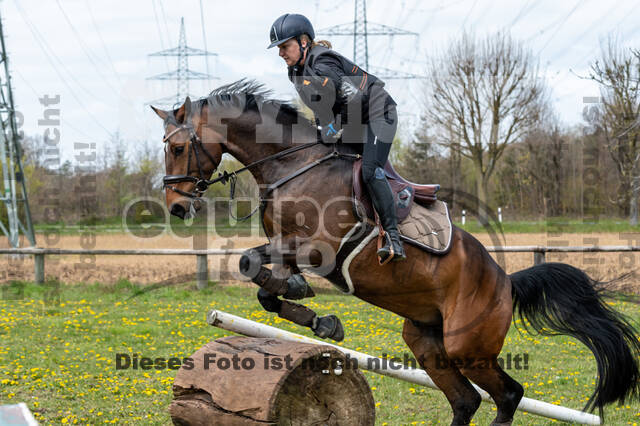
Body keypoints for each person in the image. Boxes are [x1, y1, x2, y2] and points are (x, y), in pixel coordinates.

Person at [267, 13, 405, 263]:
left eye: (284, 46)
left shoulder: (323, 61)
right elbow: (322, 106)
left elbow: (354, 100)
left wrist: (334, 127)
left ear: (304, 42)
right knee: (327, 159)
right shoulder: (297, 71)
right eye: (279, 48)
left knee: (370, 170)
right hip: (356, 120)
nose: (281, 53)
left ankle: (394, 237)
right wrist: (323, 128)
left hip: (378, 114)